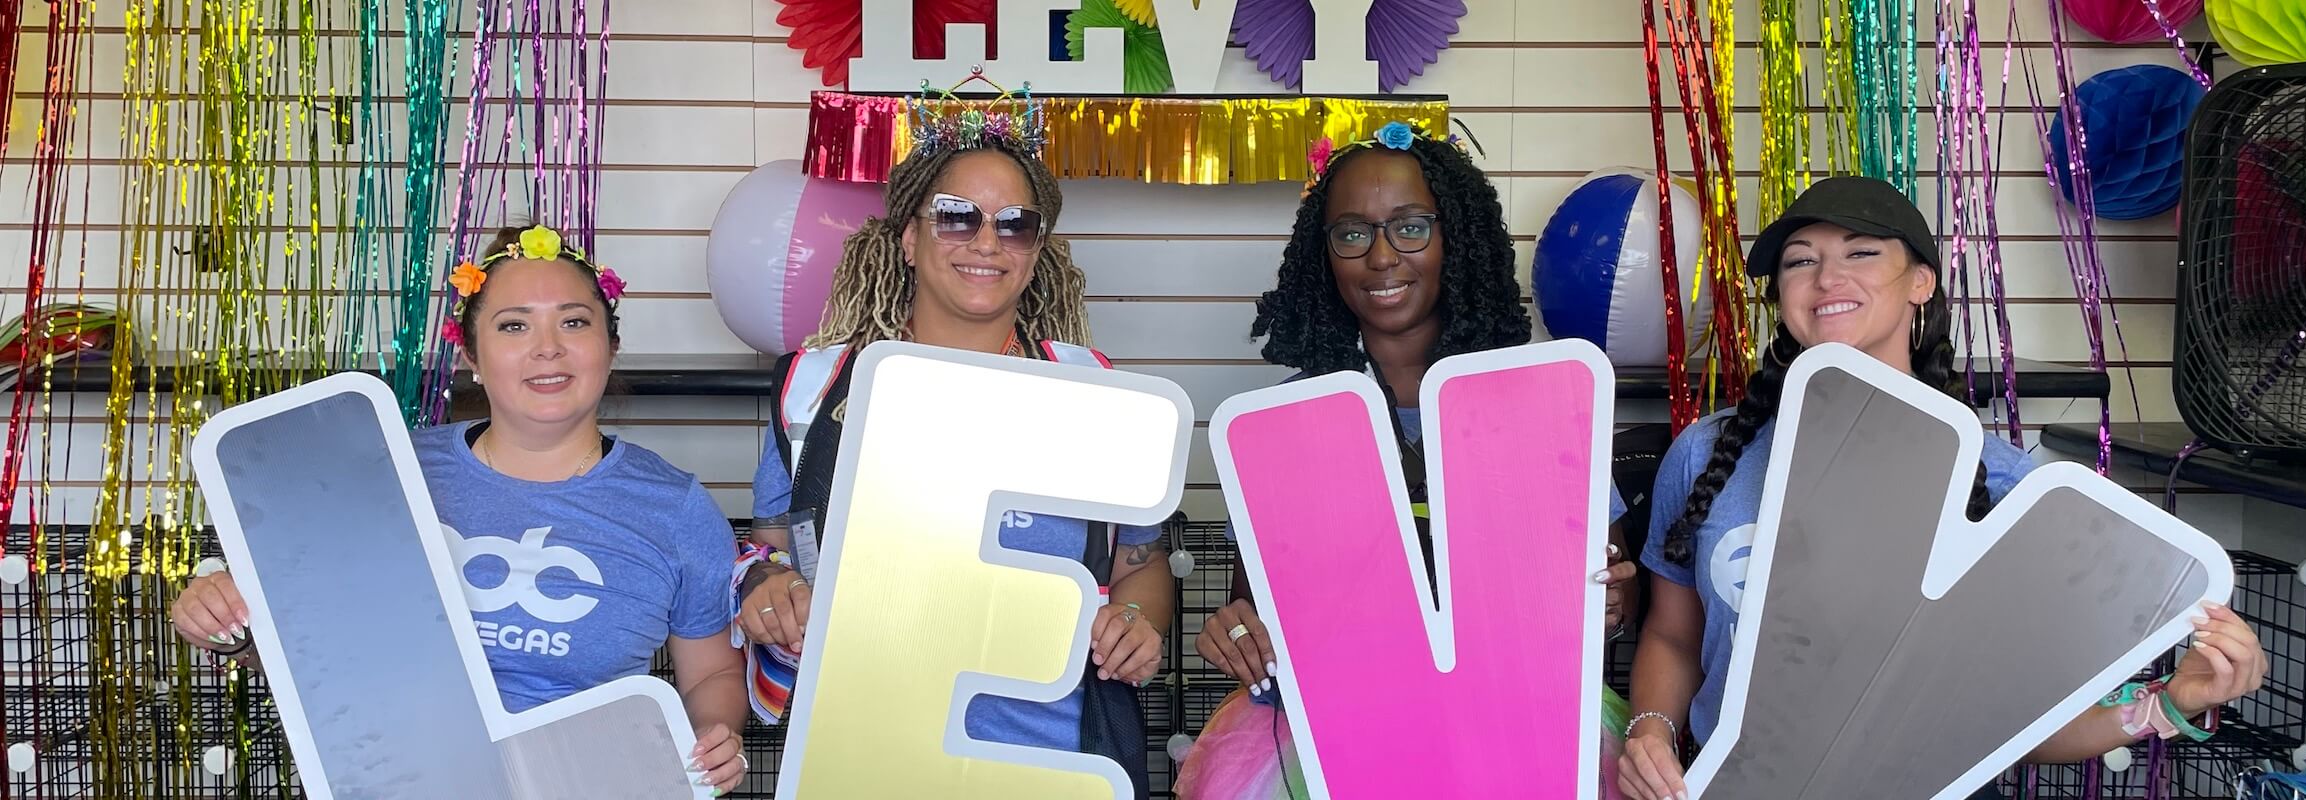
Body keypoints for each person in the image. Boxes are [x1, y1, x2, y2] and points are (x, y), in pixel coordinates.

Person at [1618, 177, 2267, 800]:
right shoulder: (1707, 454)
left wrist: (2170, 704)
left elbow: (2008, 724)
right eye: (1799, 261)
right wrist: (1653, 730)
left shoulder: (2008, 489)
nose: (1826, 278)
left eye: (1862, 252)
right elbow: (1673, 637)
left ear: (1920, 282)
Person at [171, 225, 752, 793]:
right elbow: (308, 653)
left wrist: (714, 733)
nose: (547, 346)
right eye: (514, 325)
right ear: (470, 353)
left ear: (611, 347)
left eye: (574, 321)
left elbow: (712, 674)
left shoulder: (675, 508)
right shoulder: (382, 470)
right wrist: (228, 623)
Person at [1178, 122, 1636, 800]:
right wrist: (1238, 631)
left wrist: (1611, 598)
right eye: (1353, 233)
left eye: (1411, 227)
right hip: (1336, 733)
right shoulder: (1283, 423)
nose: (1382, 256)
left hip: (1516, 723)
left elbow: (1608, 582)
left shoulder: (1537, 403)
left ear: (1455, 236)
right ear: (1324, 255)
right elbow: (1256, 606)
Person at [733, 128, 1169, 790]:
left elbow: (1144, 563)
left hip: (1056, 760)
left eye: (1015, 225)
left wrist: (1134, 622)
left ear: (1036, 250)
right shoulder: (818, 391)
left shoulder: (1093, 389)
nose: (987, 242)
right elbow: (775, 550)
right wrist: (772, 586)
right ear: (909, 238)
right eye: (957, 217)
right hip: (870, 756)